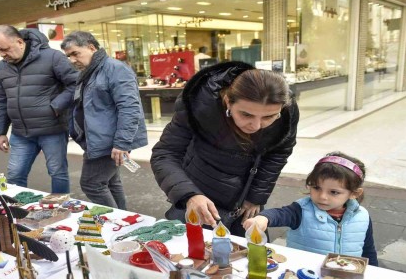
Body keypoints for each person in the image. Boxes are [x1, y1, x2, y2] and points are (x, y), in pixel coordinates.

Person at [151, 61, 299, 237]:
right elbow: (165, 153)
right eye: (246, 114)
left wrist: (255, 197)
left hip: (245, 199)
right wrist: (189, 195)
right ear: (228, 101)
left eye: (269, 117)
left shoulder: (287, 112)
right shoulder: (198, 102)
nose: (257, 125)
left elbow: (278, 153)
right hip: (200, 190)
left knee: (252, 258)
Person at [61, 31, 147, 209]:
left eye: (75, 53)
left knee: (92, 184)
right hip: (97, 139)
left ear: (91, 47)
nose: (72, 60)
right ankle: (123, 221)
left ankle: (115, 221)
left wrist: (122, 143)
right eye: (68, 56)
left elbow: (130, 108)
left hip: (108, 141)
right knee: (110, 182)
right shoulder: (89, 72)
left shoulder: (115, 69)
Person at [242, 152, 378, 266]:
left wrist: (375, 273)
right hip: (302, 275)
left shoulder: (362, 217)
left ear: (354, 193)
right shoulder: (302, 210)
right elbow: (280, 214)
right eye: (316, 188)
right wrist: (263, 218)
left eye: (334, 192)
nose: (322, 197)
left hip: (346, 278)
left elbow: (368, 251)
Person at [0, 25, 78, 193]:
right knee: (15, 175)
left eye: (5, 49)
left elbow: (75, 84)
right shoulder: (2, 67)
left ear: (19, 42)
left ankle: (61, 208)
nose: (2, 54)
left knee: (57, 172)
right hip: (20, 133)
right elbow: (2, 100)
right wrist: (0, 131)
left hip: (52, 129)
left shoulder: (53, 57)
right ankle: (17, 211)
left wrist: (55, 107)